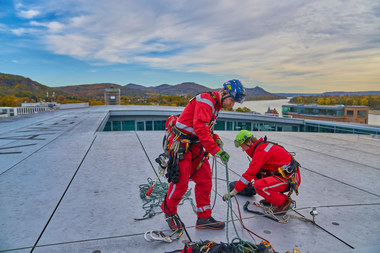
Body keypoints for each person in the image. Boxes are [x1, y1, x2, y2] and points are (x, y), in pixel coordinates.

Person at [161, 79, 246, 231]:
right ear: (224, 93)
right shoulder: (206, 101)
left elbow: (206, 128)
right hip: (182, 145)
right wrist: (216, 150)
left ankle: (204, 218)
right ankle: (169, 212)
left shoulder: (215, 105)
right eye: (232, 100)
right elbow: (200, 129)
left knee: (205, 180)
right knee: (180, 184)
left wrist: (216, 139)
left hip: (195, 146)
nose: (232, 105)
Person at [223, 130, 301, 213]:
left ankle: (284, 202)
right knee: (258, 174)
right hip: (284, 176)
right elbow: (255, 170)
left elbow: (250, 172)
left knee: (259, 186)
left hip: (290, 179)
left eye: (242, 146)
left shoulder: (261, 150)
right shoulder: (260, 148)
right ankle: (271, 198)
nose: (242, 150)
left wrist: (235, 191)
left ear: (249, 142)